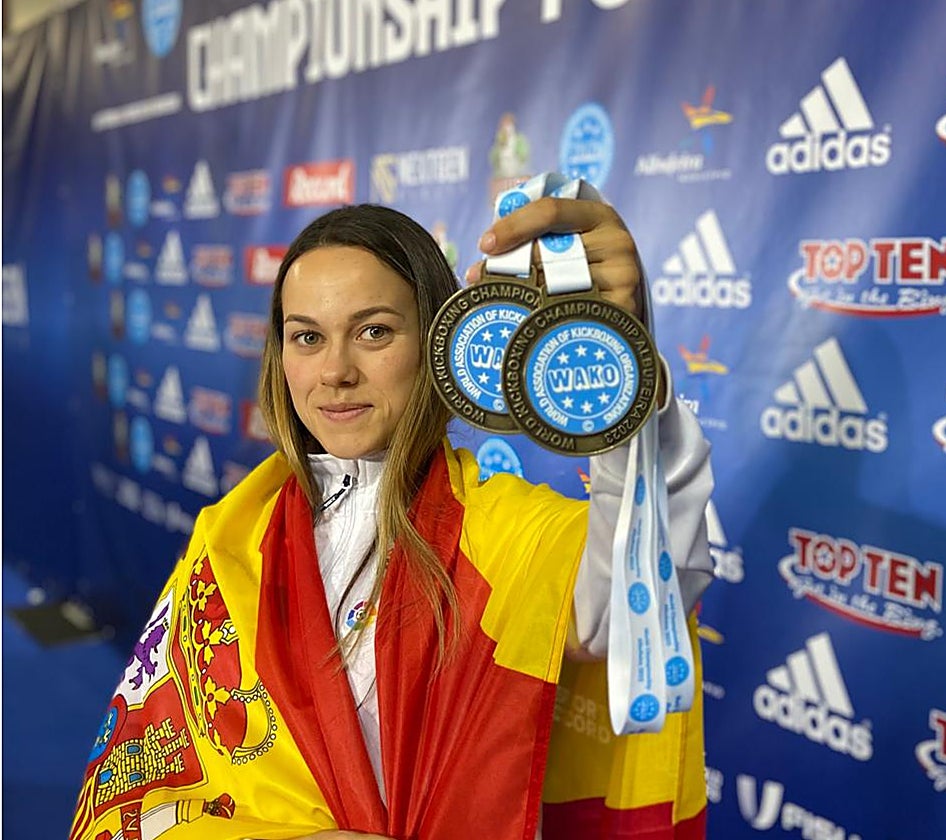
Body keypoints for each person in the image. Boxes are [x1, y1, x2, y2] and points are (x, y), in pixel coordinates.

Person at [70, 195, 714, 840]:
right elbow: (149, 791)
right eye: (307, 336)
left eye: (374, 330)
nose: (335, 372)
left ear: (440, 341)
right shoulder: (234, 538)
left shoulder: (499, 532)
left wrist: (619, 365)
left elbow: (638, 599)